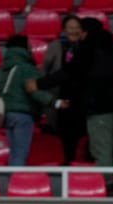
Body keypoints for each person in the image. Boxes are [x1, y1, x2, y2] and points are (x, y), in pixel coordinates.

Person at [40, 18, 113, 184]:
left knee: (102, 150)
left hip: (101, 106)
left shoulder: (89, 46)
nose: (79, 33)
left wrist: (40, 83)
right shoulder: (111, 45)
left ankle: (106, 187)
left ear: (87, 31)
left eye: (81, 30)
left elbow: (70, 71)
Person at [0, 34, 53, 167]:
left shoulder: (7, 68)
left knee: (14, 152)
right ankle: (18, 184)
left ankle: (12, 182)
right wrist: (53, 102)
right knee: (21, 153)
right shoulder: (26, 68)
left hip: (8, 114)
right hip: (23, 115)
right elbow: (35, 91)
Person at [41, 15, 87, 164]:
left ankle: (79, 161)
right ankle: (66, 161)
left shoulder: (86, 45)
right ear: (64, 29)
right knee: (64, 132)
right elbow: (45, 70)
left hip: (81, 96)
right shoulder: (55, 46)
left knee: (80, 131)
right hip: (61, 94)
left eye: (77, 27)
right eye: (70, 27)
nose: (73, 30)